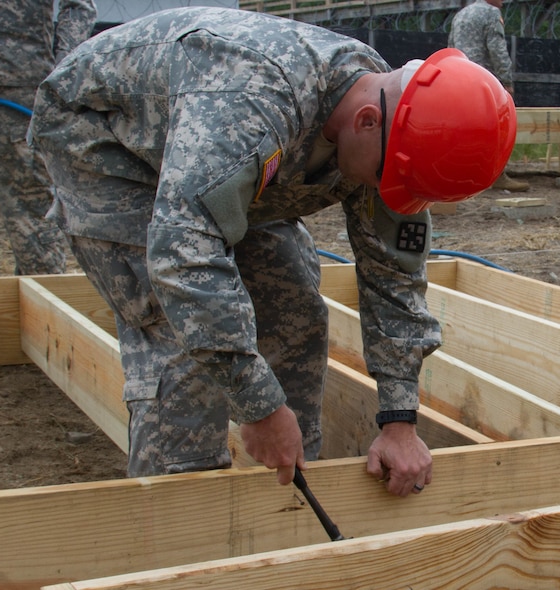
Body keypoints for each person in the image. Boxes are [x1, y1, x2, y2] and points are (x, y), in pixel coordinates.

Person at [29, 8, 517, 495]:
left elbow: (394, 279)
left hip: (215, 159)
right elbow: (183, 255)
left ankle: (290, 497)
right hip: (107, 145)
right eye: (380, 179)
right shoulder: (253, 100)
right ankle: (182, 514)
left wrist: (399, 420)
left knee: (294, 308)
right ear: (366, 122)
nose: (381, 191)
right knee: (179, 330)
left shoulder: (404, 129)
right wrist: (257, 404)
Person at [0, 0, 96, 277]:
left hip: (20, 91)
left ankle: (44, 309)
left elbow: (79, 6)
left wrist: (62, 70)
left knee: (32, 217)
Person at [449, 0, 530, 193]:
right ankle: (497, 175)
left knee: (466, 129)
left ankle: (464, 174)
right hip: (485, 82)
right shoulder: (491, 13)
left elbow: (451, 48)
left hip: (461, 79)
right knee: (497, 128)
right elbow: (497, 49)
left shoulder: (461, 15)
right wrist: (506, 82)